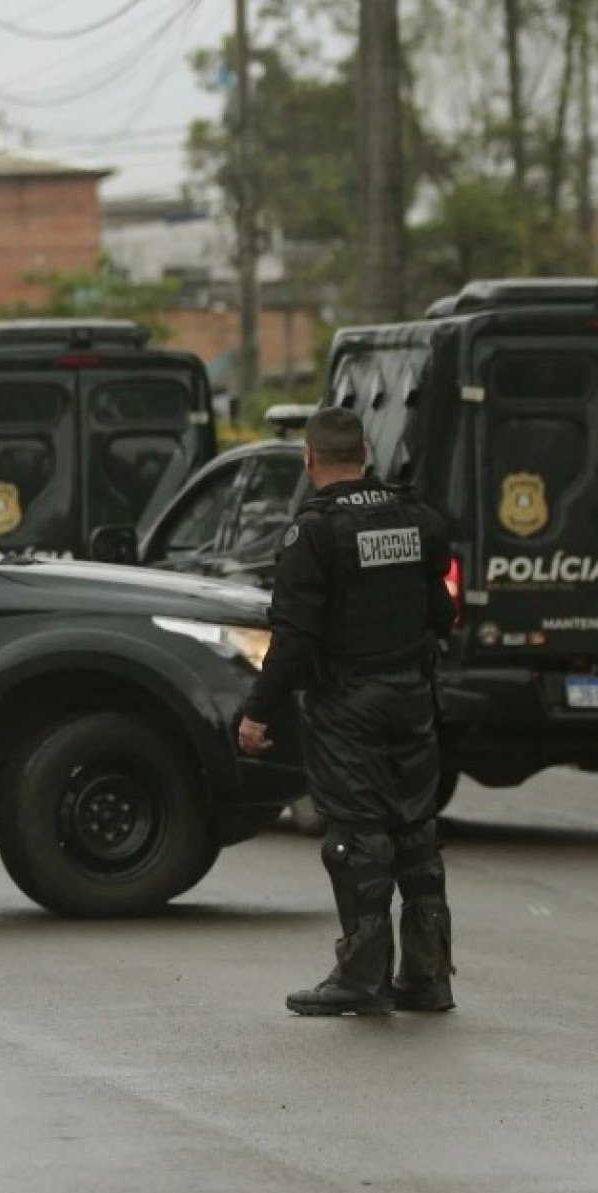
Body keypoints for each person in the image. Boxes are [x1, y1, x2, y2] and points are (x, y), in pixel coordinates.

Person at [237, 408, 457, 1017]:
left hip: (347, 704)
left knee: (356, 835)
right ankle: (428, 974)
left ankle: (361, 977)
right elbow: (441, 610)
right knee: (415, 830)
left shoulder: (315, 532)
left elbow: (294, 637)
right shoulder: (416, 519)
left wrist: (258, 712)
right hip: (412, 697)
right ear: (365, 451)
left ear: (310, 460)